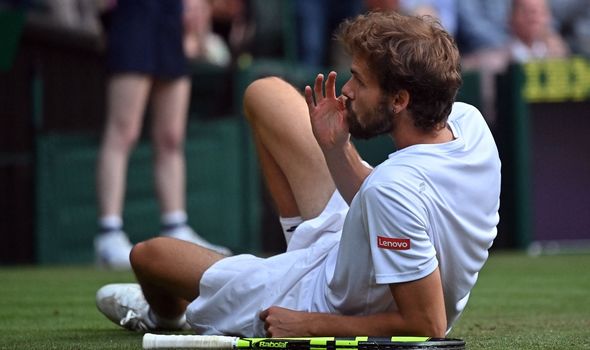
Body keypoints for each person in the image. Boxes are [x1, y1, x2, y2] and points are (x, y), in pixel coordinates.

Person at [95, 11, 501, 337]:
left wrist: (310, 324)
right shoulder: (469, 122)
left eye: (360, 81)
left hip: (321, 301)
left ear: (399, 99)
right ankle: (293, 252)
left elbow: (428, 325)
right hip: (355, 243)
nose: (347, 91)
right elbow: (381, 202)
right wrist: (335, 148)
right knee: (264, 93)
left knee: (149, 256)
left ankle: (166, 317)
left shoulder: (393, 191)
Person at [94, 0, 231, 270]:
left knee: (171, 136)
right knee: (124, 131)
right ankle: (108, 234)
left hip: (171, 18)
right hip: (134, 16)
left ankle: (175, 225)